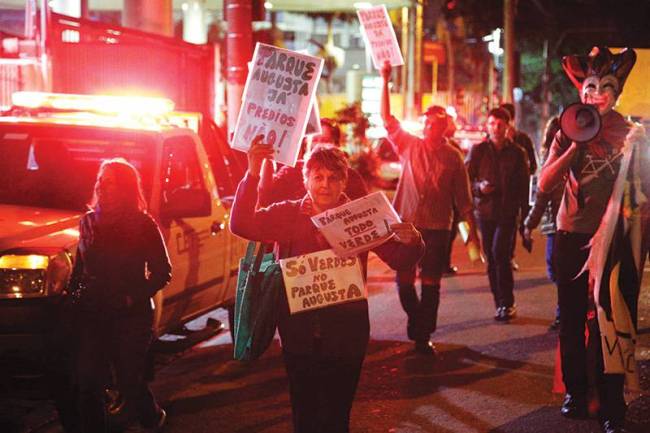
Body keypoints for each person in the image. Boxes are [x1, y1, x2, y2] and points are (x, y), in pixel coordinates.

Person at [230, 139, 424, 433]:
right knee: (304, 416)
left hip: (346, 335)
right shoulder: (288, 214)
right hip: (298, 335)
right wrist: (253, 172)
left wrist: (413, 241)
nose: (325, 185)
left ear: (344, 181)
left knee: (336, 417)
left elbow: (400, 259)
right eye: (318, 177)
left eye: (333, 178)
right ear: (306, 179)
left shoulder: (362, 216)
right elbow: (242, 224)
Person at [538, 47, 648, 433]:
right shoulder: (564, 125)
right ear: (581, 92)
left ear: (615, 94)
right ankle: (576, 391)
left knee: (611, 320)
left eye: (605, 86)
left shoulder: (630, 133)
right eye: (589, 86)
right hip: (571, 236)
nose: (596, 92)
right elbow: (545, 183)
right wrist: (573, 146)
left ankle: (612, 405)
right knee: (570, 319)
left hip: (615, 242)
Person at [380, 60, 479, 355]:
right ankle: (418, 320)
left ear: (443, 127)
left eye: (432, 123)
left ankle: (423, 336)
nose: (426, 126)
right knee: (405, 282)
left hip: (438, 229)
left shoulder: (453, 157)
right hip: (407, 225)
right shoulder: (409, 145)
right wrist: (385, 79)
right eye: (424, 122)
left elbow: (463, 200)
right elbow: (386, 118)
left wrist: (472, 234)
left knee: (431, 284)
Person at [68, 158, 171, 433]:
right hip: (94, 312)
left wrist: (132, 297)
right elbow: (80, 269)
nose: (101, 186)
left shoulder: (142, 225)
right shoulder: (88, 222)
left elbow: (162, 271)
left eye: (109, 181)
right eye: (100, 180)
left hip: (130, 314)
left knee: (128, 379)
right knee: (89, 381)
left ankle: (151, 416)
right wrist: (74, 301)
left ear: (124, 188)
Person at [465, 107, 530, 322]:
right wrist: (479, 188)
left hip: (507, 213)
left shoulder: (517, 153)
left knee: (500, 253)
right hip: (485, 212)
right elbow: (467, 180)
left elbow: (524, 188)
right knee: (491, 258)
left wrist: (526, 222)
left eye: (500, 125)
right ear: (488, 126)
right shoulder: (479, 151)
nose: (496, 128)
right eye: (492, 124)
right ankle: (499, 302)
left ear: (507, 126)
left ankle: (507, 302)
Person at [259, 118, 368, 206]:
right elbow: (266, 198)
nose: (318, 146)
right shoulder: (291, 170)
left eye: (325, 141)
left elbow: (364, 211)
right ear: (307, 143)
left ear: (336, 145)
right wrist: (268, 160)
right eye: (315, 140)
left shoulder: (351, 177)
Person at [523, 116, 562, 330]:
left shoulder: (571, 158)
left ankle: (563, 312)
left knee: (559, 269)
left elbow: (542, 195)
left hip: (566, 224)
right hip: (553, 225)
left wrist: (529, 224)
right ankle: (565, 310)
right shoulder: (548, 157)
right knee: (554, 269)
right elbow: (539, 195)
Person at [500, 103, 537, 272]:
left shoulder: (523, 140)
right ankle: (500, 258)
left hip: (515, 193)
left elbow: (533, 166)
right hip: (494, 194)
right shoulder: (490, 140)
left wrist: (522, 174)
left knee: (512, 224)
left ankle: (509, 256)